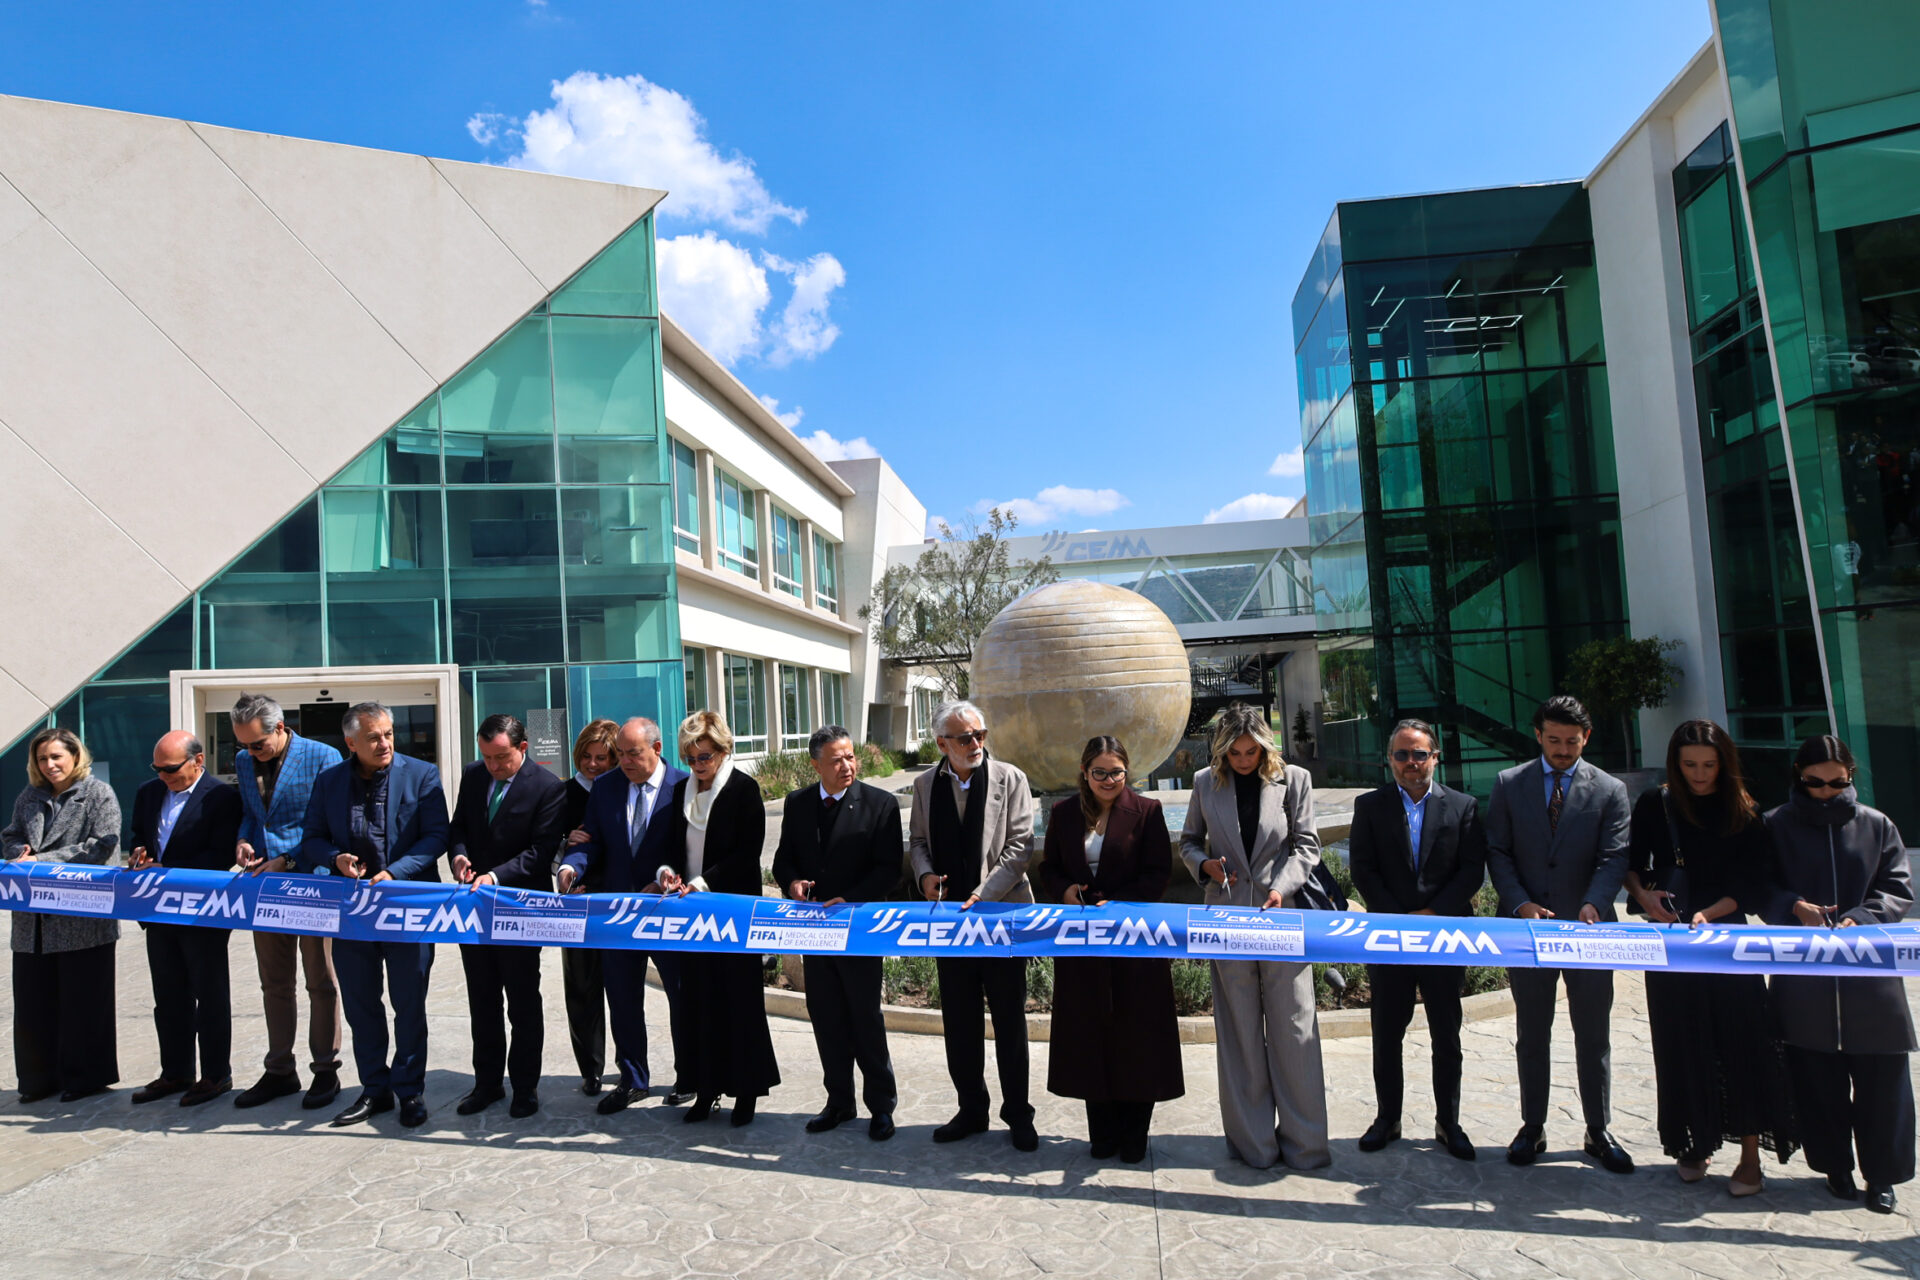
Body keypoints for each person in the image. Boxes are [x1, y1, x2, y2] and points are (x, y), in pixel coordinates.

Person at [1625, 719, 1796, 1194]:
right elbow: (1632, 865)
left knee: (1744, 1042)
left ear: (1724, 763)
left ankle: (1750, 1158)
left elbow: (1753, 882)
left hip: (1728, 944)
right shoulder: (1655, 803)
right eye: (1690, 765)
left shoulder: (1744, 810)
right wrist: (1645, 896)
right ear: (1675, 764)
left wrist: (1710, 914)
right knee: (1681, 1043)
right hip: (1673, 942)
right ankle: (1694, 1143)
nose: (1699, 775)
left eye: (1709, 765)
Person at [1763, 734, 1915, 1214]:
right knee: (1815, 1080)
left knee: (1883, 1083)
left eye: (1836, 782)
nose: (1825, 792)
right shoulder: (1775, 825)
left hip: (1871, 978)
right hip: (1804, 978)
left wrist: (1863, 917)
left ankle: (1882, 1176)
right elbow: (1760, 886)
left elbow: (1897, 887)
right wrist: (1794, 907)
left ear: (1851, 775)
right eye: (1814, 783)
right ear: (1799, 776)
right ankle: (1835, 1167)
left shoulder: (1877, 824)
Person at [1179, 704, 1331, 1170]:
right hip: (1226, 920)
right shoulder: (1204, 783)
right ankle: (1254, 1146)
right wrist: (1204, 865)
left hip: (1282, 918)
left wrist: (1282, 888)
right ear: (1222, 751)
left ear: (1266, 747)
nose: (1244, 760)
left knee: (1295, 1030)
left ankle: (1306, 1146)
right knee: (1240, 1033)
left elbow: (1307, 845)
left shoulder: (1295, 780)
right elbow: (1189, 841)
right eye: (1236, 753)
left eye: (1252, 752)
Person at [1485, 694, 1633, 1173]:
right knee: (1532, 1033)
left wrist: (1595, 903)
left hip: (1590, 931)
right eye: (1554, 740)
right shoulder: (1509, 784)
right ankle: (1533, 1126)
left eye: (1572, 741)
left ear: (1586, 738)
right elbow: (1498, 852)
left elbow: (1615, 857)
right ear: (1538, 735)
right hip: (1528, 931)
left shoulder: (1609, 789)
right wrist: (1520, 903)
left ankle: (1598, 1128)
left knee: (1593, 1034)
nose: (1563, 750)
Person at [295, 701, 449, 1129]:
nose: (384, 743)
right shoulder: (329, 782)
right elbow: (311, 839)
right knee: (361, 1005)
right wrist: (335, 858)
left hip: (406, 910)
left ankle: (410, 1090)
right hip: (353, 914)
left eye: (388, 734)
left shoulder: (422, 774)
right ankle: (374, 1089)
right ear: (351, 743)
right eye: (373, 737)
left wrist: (395, 873)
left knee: (409, 1004)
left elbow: (436, 836)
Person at [1346, 718, 1486, 1162]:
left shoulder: (1463, 807)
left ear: (1434, 758)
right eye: (1402, 754)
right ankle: (1388, 1118)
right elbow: (1362, 868)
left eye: (1419, 754)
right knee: (1387, 1034)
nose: (1411, 762)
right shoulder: (1370, 806)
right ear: (1390, 760)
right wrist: (1399, 918)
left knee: (1447, 1035)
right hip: (1390, 938)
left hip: (1444, 937)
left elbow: (1471, 870)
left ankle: (1449, 1123)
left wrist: (1432, 914)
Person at [1039, 735, 1182, 1163]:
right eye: (1099, 772)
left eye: (1115, 772)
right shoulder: (1063, 814)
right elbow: (1049, 867)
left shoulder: (1148, 812)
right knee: (1090, 1035)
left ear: (1126, 772)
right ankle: (1101, 1132)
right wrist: (1065, 891)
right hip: (1083, 947)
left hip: (1135, 944)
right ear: (1084, 772)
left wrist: (1116, 904)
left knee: (1137, 1037)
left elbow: (1158, 873)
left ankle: (1135, 1133)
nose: (1108, 780)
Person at [908, 699, 1038, 1153]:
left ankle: (1018, 1113)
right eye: (965, 738)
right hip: (950, 923)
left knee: (1009, 1021)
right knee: (960, 1022)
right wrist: (925, 876)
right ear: (942, 743)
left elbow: (1020, 848)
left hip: (999, 919)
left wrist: (983, 894)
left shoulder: (1011, 778)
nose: (976, 744)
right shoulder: (925, 785)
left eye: (980, 735)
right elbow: (918, 842)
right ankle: (971, 1109)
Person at [771, 725, 904, 1141]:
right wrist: (792, 883)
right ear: (816, 765)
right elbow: (783, 860)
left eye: (850, 757)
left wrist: (851, 899)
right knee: (826, 1018)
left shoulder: (880, 804)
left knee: (865, 1019)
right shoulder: (797, 804)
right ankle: (839, 1101)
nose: (847, 766)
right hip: (814, 932)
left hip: (858, 930)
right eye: (836, 760)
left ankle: (881, 1106)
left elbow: (889, 869)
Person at [558, 717, 690, 1115]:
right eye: (622, 753)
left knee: (682, 996)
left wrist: (669, 875)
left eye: (633, 753)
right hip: (619, 914)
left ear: (657, 748)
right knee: (622, 999)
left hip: (668, 911)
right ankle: (633, 1079)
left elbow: (690, 847)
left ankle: (690, 1076)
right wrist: (570, 867)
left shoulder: (684, 787)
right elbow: (591, 841)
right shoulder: (606, 787)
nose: (626, 762)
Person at [660, 710, 778, 1126]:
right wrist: (668, 873)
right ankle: (705, 1089)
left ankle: (746, 1093)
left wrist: (703, 883)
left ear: (724, 751)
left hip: (732, 912)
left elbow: (746, 854)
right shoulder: (682, 791)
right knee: (698, 1001)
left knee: (738, 1002)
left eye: (704, 757)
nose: (697, 765)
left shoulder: (744, 789)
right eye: (690, 758)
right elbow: (672, 846)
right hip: (692, 916)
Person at [229, 692, 345, 1111]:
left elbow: (330, 824)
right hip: (265, 885)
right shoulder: (244, 761)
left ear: (280, 728)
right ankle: (279, 1070)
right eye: (243, 745)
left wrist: (290, 858)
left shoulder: (323, 757)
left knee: (321, 981)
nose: (250, 752)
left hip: (312, 882)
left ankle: (325, 1069)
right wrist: (243, 840)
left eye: (257, 744)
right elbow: (251, 812)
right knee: (275, 983)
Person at [447, 714, 566, 1119]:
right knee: (482, 1000)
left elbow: (541, 851)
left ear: (522, 748)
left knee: (522, 1001)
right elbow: (459, 826)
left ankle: (525, 1087)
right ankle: (487, 1083)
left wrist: (495, 877)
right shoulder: (473, 775)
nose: (493, 766)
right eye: (487, 757)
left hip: (520, 908)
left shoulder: (547, 787)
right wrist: (459, 856)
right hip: (475, 908)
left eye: (501, 757)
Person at [3, 728, 122, 1103]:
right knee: (33, 1005)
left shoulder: (99, 794)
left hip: (82, 920)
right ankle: (38, 1080)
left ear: (75, 756)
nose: (49, 764)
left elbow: (102, 847)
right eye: (42, 758)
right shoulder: (29, 796)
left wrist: (40, 862)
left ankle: (86, 1079)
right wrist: (18, 852)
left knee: (83, 1004)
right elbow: (10, 835)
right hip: (33, 924)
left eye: (57, 756)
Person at [127, 731, 242, 1107]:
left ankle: (215, 1074)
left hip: (202, 911)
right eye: (157, 768)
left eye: (171, 769)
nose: (164, 776)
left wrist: (169, 869)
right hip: (159, 911)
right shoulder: (149, 792)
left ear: (198, 761)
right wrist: (139, 855)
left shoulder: (221, 797)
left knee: (209, 995)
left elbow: (220, 855)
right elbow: (139, 835)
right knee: (169, 995)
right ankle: (175, 1071)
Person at [556, 718, 619, 1095]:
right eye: (586, 757)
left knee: (622, 989)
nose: (592, 764)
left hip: (618, 901)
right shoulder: (562, 794)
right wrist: (565, 845)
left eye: (601, 757)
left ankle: (630, 1066)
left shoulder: (624, 790)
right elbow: (543, 845)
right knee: (581, 988)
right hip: (576, 901)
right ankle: (590, 1069)